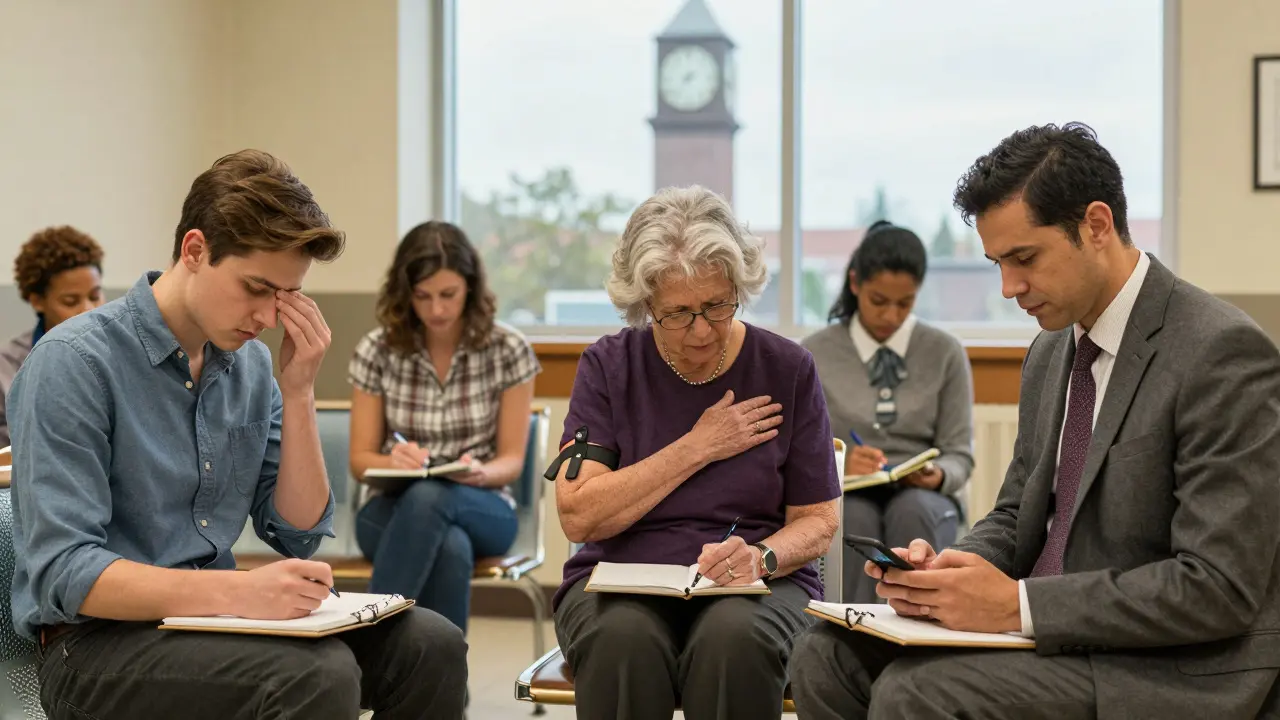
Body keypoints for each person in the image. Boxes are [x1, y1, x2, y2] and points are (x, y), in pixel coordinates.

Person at [789, 122, 1280, 719]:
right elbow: (1020, 511)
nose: (1008, 287)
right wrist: (953, 570)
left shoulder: (1219, 353)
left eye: (1024, 258)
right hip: (1053, 634)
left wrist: (1017, 606)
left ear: (1096, 226)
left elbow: (1216, 587)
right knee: (825, 654)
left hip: (1168, 664)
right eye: (997, 262)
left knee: (915, 692)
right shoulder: (1052, 350)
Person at [8, 150, 468, 720]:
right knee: (314, 677)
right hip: (95, 644)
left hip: (212, 621)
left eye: (285, 296)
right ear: (195, 250)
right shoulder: (72, 362)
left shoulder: (249, 364)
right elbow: (66, 572)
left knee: (432, 645)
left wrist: (298, 391)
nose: (269, 318)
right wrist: (240, 594)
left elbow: (297, 533)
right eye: (256, 288)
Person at [551, 185, 842, 720]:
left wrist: (762, 558)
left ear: (739, 287)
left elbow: (819, 520)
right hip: (618, 581)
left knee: (733, 640)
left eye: (716, 305)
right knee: (623, 640)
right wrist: (698, 446)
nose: (702, 330)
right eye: (678, 313)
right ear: (645, 306)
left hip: (757, 583)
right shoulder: (609, 367)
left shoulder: (788, 368)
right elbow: (579, 514)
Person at [348, 220, 540, 634]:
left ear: (469, 288)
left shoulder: (508, 350)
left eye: (448, 295)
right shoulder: (376, 351)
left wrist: (478, 473)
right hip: (389, 508)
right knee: (451, 546)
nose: (436, 309)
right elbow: (361, 462)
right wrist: (392, 461)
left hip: (484, 505)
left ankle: (365, 646)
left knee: (434, 496)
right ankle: (447, 686)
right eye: (423, 296)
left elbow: (510, 461)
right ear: (405, 294)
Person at [802, 221, 974, 604]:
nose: (892, 316)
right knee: (853, 520)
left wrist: (939, 474)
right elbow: (798, 452)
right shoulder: (816, 353)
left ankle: (916, 636)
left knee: (913, 514)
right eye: (879, 301)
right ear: (854, 284)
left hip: (923, 497)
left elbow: (959, 452)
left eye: (905, 303)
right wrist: (841, 465)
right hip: (848, 492)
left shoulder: (944, 352)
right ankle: (852, 638)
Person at [0, 225, 105, 447]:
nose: (88, 310)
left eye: (95, 296)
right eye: (70, 301)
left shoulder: (125, 355)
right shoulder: (7, 369)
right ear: (37, 301)